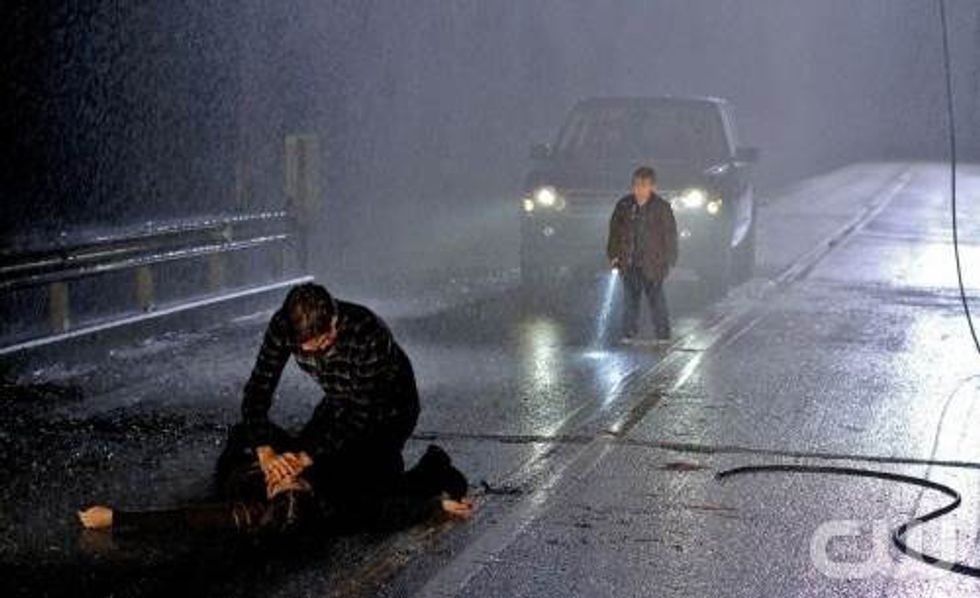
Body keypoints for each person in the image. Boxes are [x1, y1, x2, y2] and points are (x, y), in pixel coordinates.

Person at [79, 282, 473, 535]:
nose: (317, 354)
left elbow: (360, 418)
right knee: (357, 484)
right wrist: (268, 452)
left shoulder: (367, 333)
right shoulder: (285, 327)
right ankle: (433, 471)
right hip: (339, 403)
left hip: (389, 409)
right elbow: (258, 391)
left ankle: (412, 472)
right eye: (308, 350)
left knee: (364, 465)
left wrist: (298, 458)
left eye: (324, 345)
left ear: (334, 322)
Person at [606, 166, 678, 342]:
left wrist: (669, 259)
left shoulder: (661, 208)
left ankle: (663, 334)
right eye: (637, 185)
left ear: (652, 187)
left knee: (656, 300)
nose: (639, 189)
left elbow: (670, 234)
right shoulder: (624, 206)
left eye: (644, 185)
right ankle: (628, 332)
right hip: (629, 260)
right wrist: (613, 254)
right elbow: (615, 232)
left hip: (653, 262)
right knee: (630, 300)